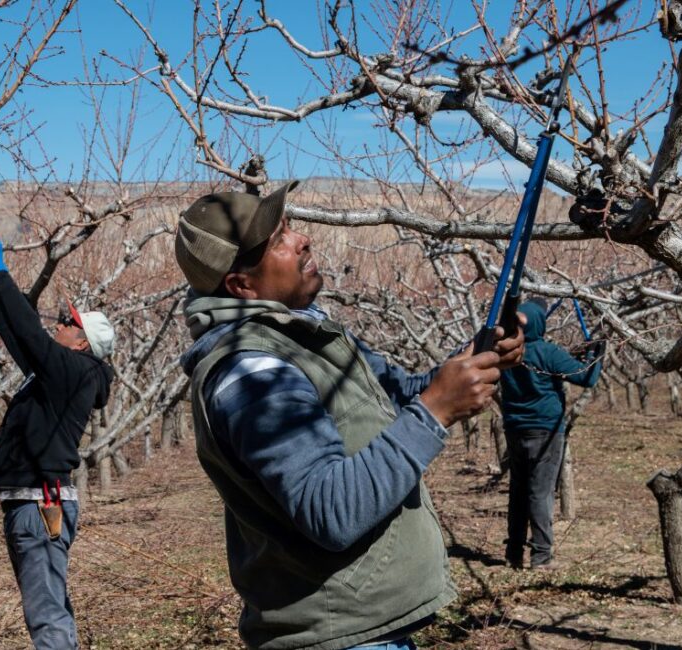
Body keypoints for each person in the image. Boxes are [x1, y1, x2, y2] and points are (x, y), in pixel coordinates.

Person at [174, 181, 525, 650]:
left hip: (365, 630)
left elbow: (399, 395)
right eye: (277, 241)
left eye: (289, 228)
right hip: (339, 636)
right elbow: (330, 510)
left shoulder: (303, 338)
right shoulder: (253, 373)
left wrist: (474, 363)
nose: (302, 240)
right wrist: (437, 408)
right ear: (241, 285)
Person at [0, 229, 115, 649]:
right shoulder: (59, 374)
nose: (61, 324)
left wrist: (0, 271)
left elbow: (29, 332)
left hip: (39, 506)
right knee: (51, 607)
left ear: (83, 342)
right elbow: (16, 333)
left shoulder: (72, 371)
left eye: (70, 323)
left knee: (46, 615)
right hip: (36, 504)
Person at [499, 297, 603, 571]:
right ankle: (542, 556)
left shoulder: (506, 353)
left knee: (519, 492)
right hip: (545, 431)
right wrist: (597, 353)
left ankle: (513, 554)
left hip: (515, 430)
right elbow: (587, 378)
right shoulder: (548, 352)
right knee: (541, 493)